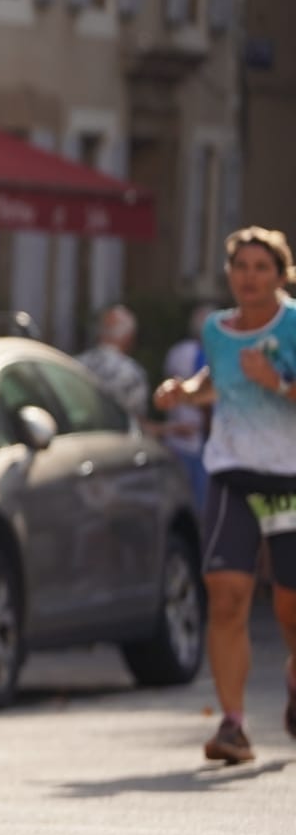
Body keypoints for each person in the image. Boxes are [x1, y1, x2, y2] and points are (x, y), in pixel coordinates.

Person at [152, 227, 296, 767]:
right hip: (233, 472)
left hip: (287, 480)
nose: (250, 277)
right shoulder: (217, 329)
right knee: (227, 593)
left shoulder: (294, 325)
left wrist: (277, 383)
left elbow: (269, 380)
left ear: (280, 275)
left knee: (290, 604)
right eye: (242, 267)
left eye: (262, 267)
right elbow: (221, 379)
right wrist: (186, 392)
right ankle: (233, 725)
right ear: (230, 274)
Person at [160, 303, 217, 512]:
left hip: (178, 437)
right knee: (199, 505)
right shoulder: (200, 355)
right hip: (195, 439)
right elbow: (203, 399)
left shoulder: (177, 351)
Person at [77, 304, 150, 422]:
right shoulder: (133, 373)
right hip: (117, 438)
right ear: (128, 337)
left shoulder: (75, 363)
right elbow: (137, 423)